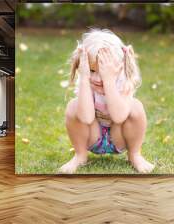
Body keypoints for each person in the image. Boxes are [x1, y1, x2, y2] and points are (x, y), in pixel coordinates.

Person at [60, 29, 154, 174]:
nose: (97, 78)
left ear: (119, 66)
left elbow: (119, 117)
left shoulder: (124, 82)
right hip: (92, 136)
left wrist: (109, 80)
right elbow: (86, 117)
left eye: (104, 71)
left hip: (120, 137)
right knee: (73, 106)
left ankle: (135, 155)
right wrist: (85, 78)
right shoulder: (86, 81)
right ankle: (80, 155)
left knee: (136, 107)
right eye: (92, 71)